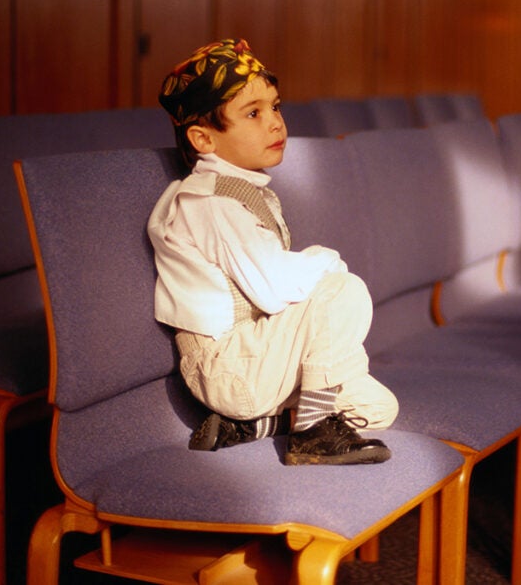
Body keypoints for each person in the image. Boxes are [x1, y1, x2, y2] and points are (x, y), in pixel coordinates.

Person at [148, 38, 397, 465]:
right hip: (228, 365)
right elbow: (271, 290)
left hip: (258, 358)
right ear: (203, 138)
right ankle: (312, 432)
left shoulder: (243, 191)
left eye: (275, 107)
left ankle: (260, 426)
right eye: (253, 113)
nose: (275, 123)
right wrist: (327, 259)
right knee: (343, 289)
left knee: (379, 407)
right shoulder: (211, 204)